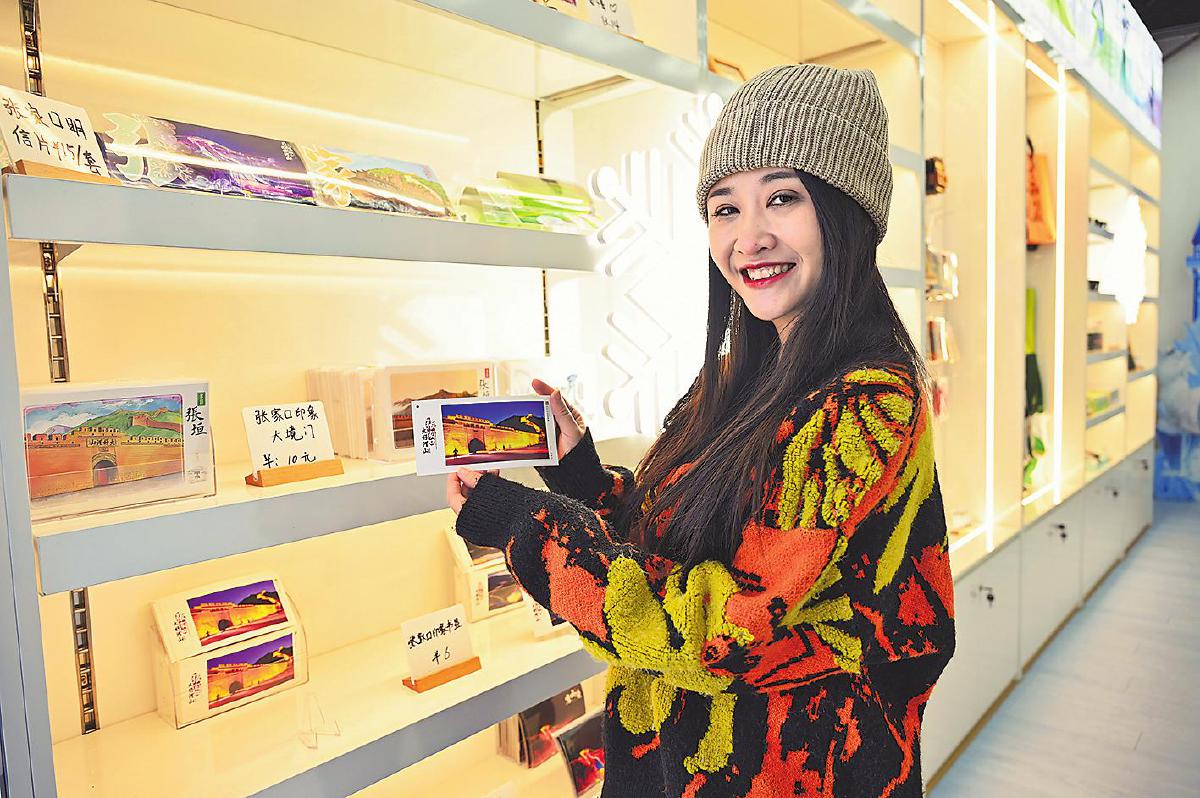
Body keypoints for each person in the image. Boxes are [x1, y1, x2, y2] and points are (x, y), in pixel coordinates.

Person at [447, 63, 955, 798]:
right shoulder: (740, 373)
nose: (750, 237)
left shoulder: (866, 406)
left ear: (848, 213)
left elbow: (715, 632)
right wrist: (577, 472)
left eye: (782, 198)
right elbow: (678, 546)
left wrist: (525, 526)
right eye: (725, 208)